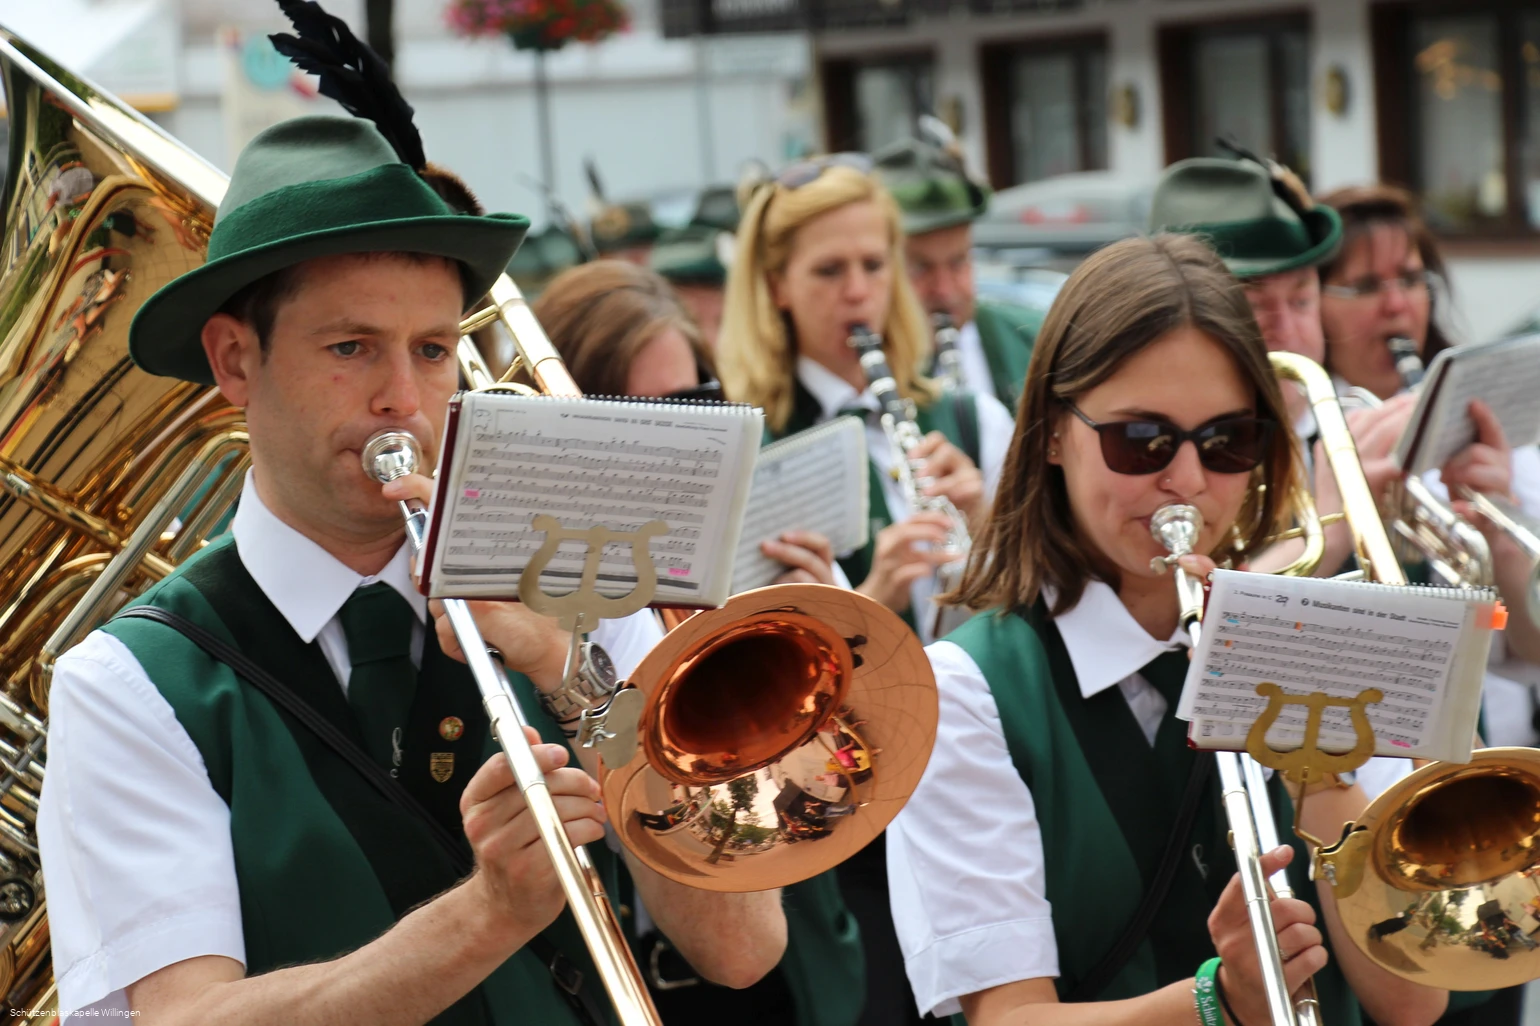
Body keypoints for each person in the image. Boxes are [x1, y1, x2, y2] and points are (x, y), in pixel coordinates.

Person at [35, 115, 785, 1023]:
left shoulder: (573, 590)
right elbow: (186, 1016)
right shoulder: (128, 684)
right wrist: (488, 913)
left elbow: (740, 946)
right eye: (351, 348)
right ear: (236, 359)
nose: (403, 398)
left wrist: (573, 680)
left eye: (432, 350)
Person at [887, 232, 1451, 1026]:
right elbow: (1005, 1017)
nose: (1185, 481)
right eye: (1139, 440)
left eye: (1228, 441)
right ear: (1051, 431)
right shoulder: (965, 689)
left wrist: (1312, 761)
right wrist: (1217, 1002)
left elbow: (1413, 1000)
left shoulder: (1315, 636)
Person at [716, 154, 1012, 1026]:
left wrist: (991, 527)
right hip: (846, 815)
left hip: (974, 785)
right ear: (774, 286)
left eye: (874, 267)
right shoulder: (754, 446)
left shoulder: (964, 420)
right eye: (828, 271)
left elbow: (1042, 612)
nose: (858, 293)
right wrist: (873, 593)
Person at [530, 258, 861, 1026]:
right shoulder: (514, 614)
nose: (665, 447)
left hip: (782, 989)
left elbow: (833, 799)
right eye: (625, 417)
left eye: (690, 407)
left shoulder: (732, 578)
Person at [873, 134, 1044, 409]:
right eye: (919, 268)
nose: (945, 289)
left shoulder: (1035, 338)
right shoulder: (861, 368)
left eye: (958, 262)